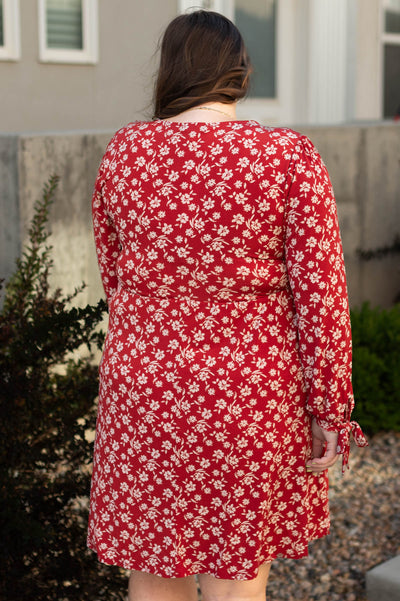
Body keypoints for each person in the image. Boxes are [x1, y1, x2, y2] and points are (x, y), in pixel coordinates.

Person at [87, 10, 368, 601]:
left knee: (154, 568)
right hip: (247, 396)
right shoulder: (286, 158)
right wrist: (329, 411)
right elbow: (321, 298)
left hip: (146, 390)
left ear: (170, 73)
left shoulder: (125, 155)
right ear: (239, 72)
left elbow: (117, 281)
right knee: (235, 579)